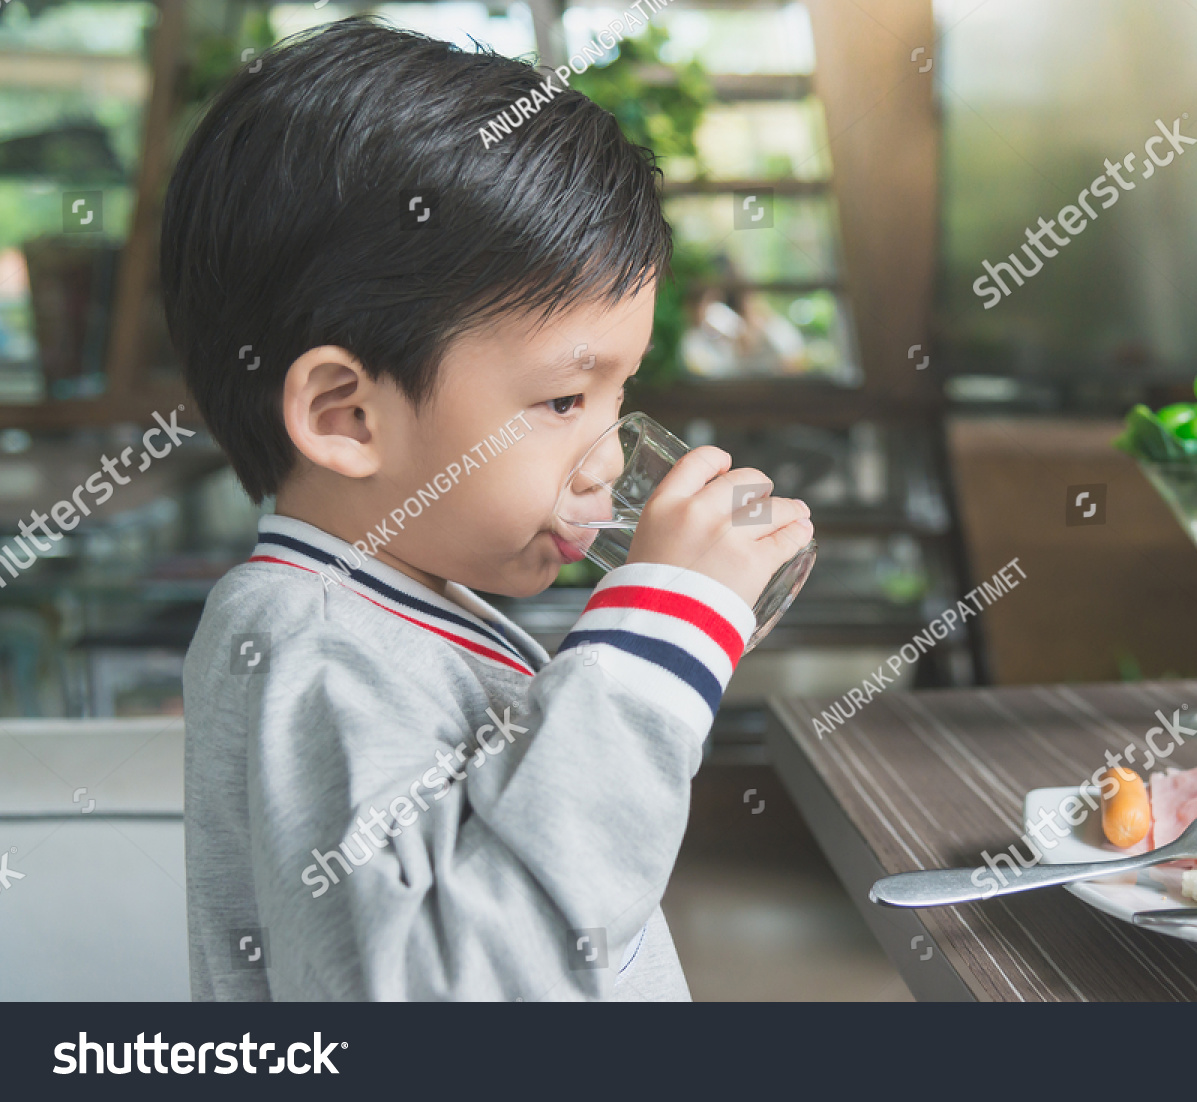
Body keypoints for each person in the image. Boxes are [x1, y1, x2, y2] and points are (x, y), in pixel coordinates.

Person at [161, 17, 812, 1000]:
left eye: (618, 397)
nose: (606, 459)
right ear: (348, 415)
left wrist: (666, 638)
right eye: (561, 401)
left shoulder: (383, 617)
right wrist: (655, 650)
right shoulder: (321, 651)